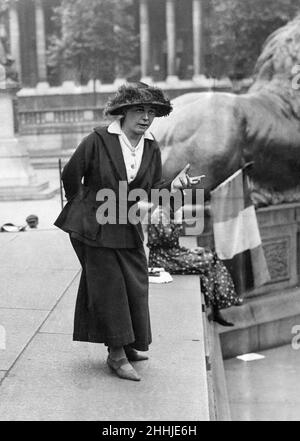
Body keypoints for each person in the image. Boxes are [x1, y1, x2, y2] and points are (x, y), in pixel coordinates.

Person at [54, 82, 201, 382]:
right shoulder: (97, 140)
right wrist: (84, 207)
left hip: (127, 223)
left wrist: (175, 186)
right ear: (122, 112)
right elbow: (71, 175)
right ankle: (116, 354)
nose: (145, 117)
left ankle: (130, 342)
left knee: (135, 283)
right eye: (138, 110)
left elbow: (153, 189)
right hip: (94, 227)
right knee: (109, 287)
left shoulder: (150, 145)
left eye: (150, 112)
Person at [147, 208, 243, 326]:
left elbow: (173, 244)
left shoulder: (165, 212)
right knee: (210, 260)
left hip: (171, 255)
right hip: (164, 259)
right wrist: (178, 221)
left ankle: (217, 307)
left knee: (208, 258)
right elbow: (169, 240)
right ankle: (222, 303)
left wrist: (189, 250)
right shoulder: (159, 215)